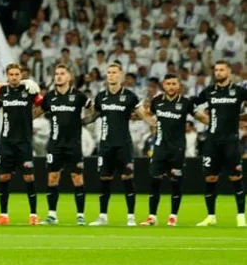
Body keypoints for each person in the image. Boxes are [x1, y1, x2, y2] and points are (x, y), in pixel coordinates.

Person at [192, 61, 247, 227]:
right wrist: (201, 117)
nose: (218, 72)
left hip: (231, 141)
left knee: (235, 177)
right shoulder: (209, 91)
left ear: (229, 72)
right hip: (212, 141)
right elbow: (192, 104)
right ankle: (211, 216)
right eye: (216, 70)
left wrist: (242, 118)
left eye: (222, 70)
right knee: (210, 178)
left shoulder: (239, 91)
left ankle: (241, 216)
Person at [88, 63, 141, 226]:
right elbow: (93, 116)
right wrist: (77, 121)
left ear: (121, 75)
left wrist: (153, 122)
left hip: (124, 144)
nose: (111, 75)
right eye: (109, 72)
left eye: (114, 72)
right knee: (105, 179)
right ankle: (103, 217)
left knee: (127, 178)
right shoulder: (100, 97)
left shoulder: (130, 96)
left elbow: (140, 114)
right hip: (106, 145)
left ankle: (131, 217)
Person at [140, 75, 195, 226]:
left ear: (179, 85)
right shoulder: (157, 101)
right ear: (163, 85)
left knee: (175, 183)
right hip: (160, 148)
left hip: (177, 149)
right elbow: (147, 113)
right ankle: (152, 216)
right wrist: (152, 122)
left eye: (174, 84)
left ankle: (173, 216)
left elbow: (199, 116)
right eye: (168, 84)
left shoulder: (185, 102)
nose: (171, 86)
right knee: (154, 181)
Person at [0, 63, 41, 225]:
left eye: (16, 74)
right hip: (6, 142)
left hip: (24, 142)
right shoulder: (2, 92)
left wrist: (31, 117)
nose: (14, 77)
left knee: (29, 177)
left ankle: (33, 215)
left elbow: (43, 104)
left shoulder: (29, 90)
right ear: (7, 76)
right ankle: (3, 215)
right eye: (11, 74)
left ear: (21, 75)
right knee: (4, 176)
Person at [42, 64, 89, 225]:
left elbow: (94, 109)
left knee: (77, 178)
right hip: (55, 144)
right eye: (56, 74)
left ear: (69, 77)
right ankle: (52, 215)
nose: (59, 76)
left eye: (62, 73)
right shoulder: (49, 97)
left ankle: (80, 215)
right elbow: (38, 111)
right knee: (52, 178)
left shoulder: (79, 96)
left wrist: (87, 121)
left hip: (74, 145)